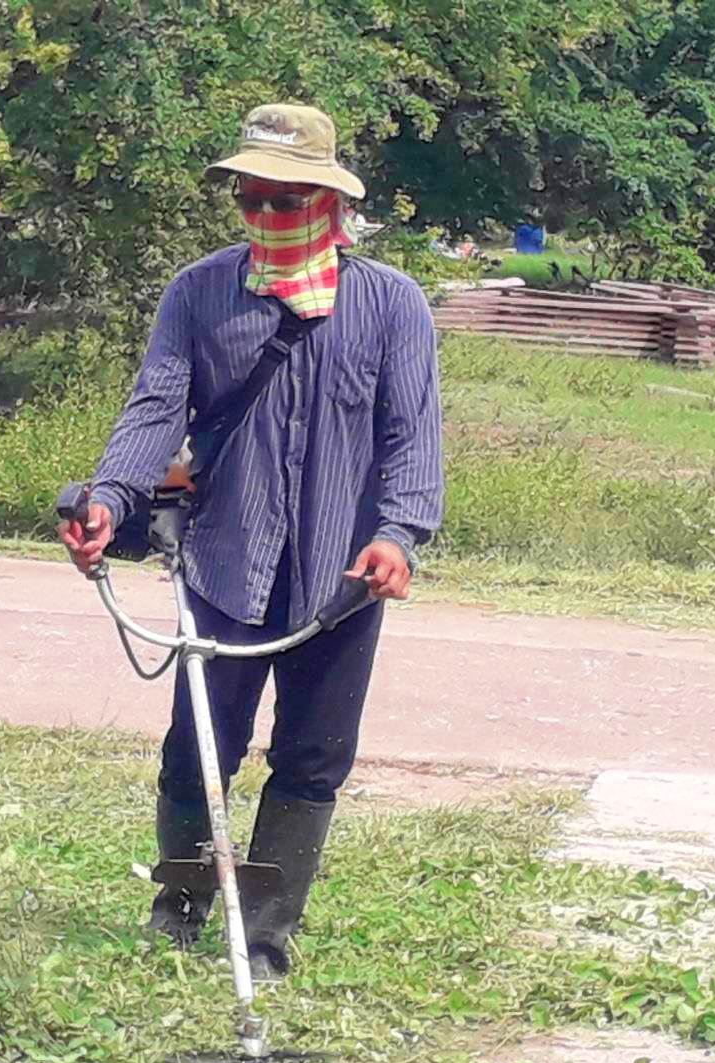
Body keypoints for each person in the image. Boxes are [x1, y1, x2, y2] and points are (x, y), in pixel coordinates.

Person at [58, 103, 444, 980]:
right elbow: (156, 409)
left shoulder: (393, 306)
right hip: (223, 559)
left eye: (286, 201)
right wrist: (112, 499)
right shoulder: (198, 292)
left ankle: (265, 933)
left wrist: (400, 537)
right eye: (252, 200)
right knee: (199, 747)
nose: (266, 217)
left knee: (312, 756)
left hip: (340, 577)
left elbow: (411, 438)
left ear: (331, 205)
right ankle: (182, 906)